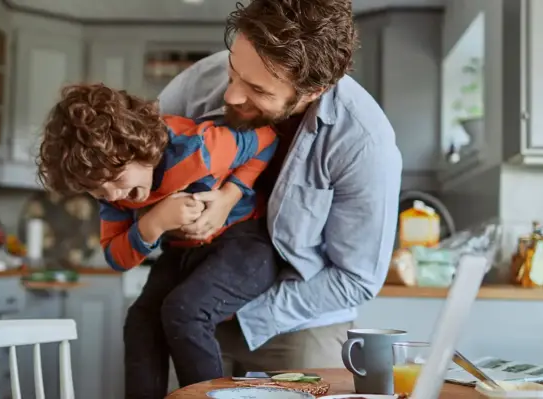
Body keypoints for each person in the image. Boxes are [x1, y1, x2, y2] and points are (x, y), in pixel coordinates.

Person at [157, 0, 403, 376]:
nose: (231, 96)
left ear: (312, 91)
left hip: (300, 326)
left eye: (257, 89)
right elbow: (135, 162)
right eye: (232, 71)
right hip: (196, 310)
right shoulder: (201, 80)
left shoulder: (365, 143)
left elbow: (355, 279)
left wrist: (239, 308)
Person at [35, 83, 280, 399]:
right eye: (97, 192)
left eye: (117, 179)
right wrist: (154, 222)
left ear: (139, 148)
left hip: (244, 244)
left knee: (184, 311)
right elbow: (116, 256)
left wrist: (230, 196)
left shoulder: (198, 149)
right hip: (183, 251)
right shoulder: (111, 192)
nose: (112, 196)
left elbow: (267, 139)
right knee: (139, 322)